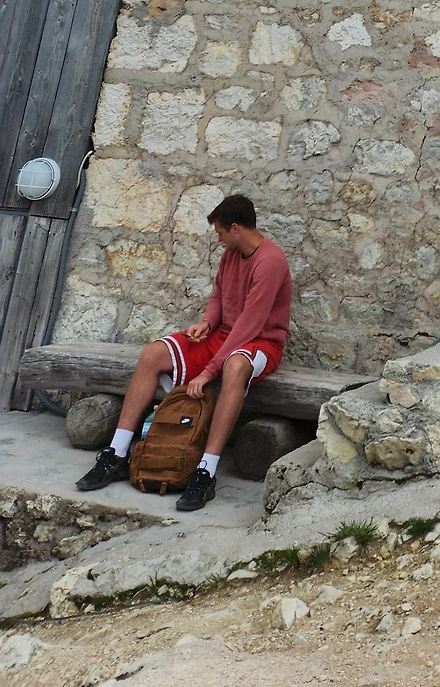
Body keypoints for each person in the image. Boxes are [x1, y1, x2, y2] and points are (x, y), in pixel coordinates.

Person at [76, 194, 292, 511]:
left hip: (260, 342)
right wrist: (208, 322)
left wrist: (208, 371)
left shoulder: (270, 261)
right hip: (224, 335)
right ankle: (117, 452)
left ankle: (206, 470)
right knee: (152, 354)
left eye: (220, 232)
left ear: (235, 228)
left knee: (234, 368)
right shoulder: (231, 254)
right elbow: (219, 296)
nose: (218, 239)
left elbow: (250, 324)